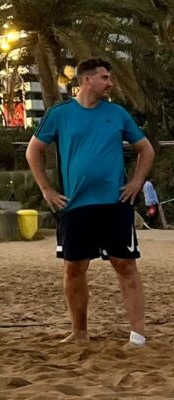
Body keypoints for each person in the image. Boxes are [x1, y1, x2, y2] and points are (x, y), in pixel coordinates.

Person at [26, 58, 155, 347]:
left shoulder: (118, 113)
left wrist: (136, 183)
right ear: (87, 80)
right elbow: (34, 151)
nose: (110, 83)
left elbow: (145, 149)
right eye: (105, 77)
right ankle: (80, 333)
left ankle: (137, 335)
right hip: (75, 205)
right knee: (74, 269)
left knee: (125, 265)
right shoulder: (59, 114)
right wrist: (46, 189)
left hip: (114, 203)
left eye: (110, 78)